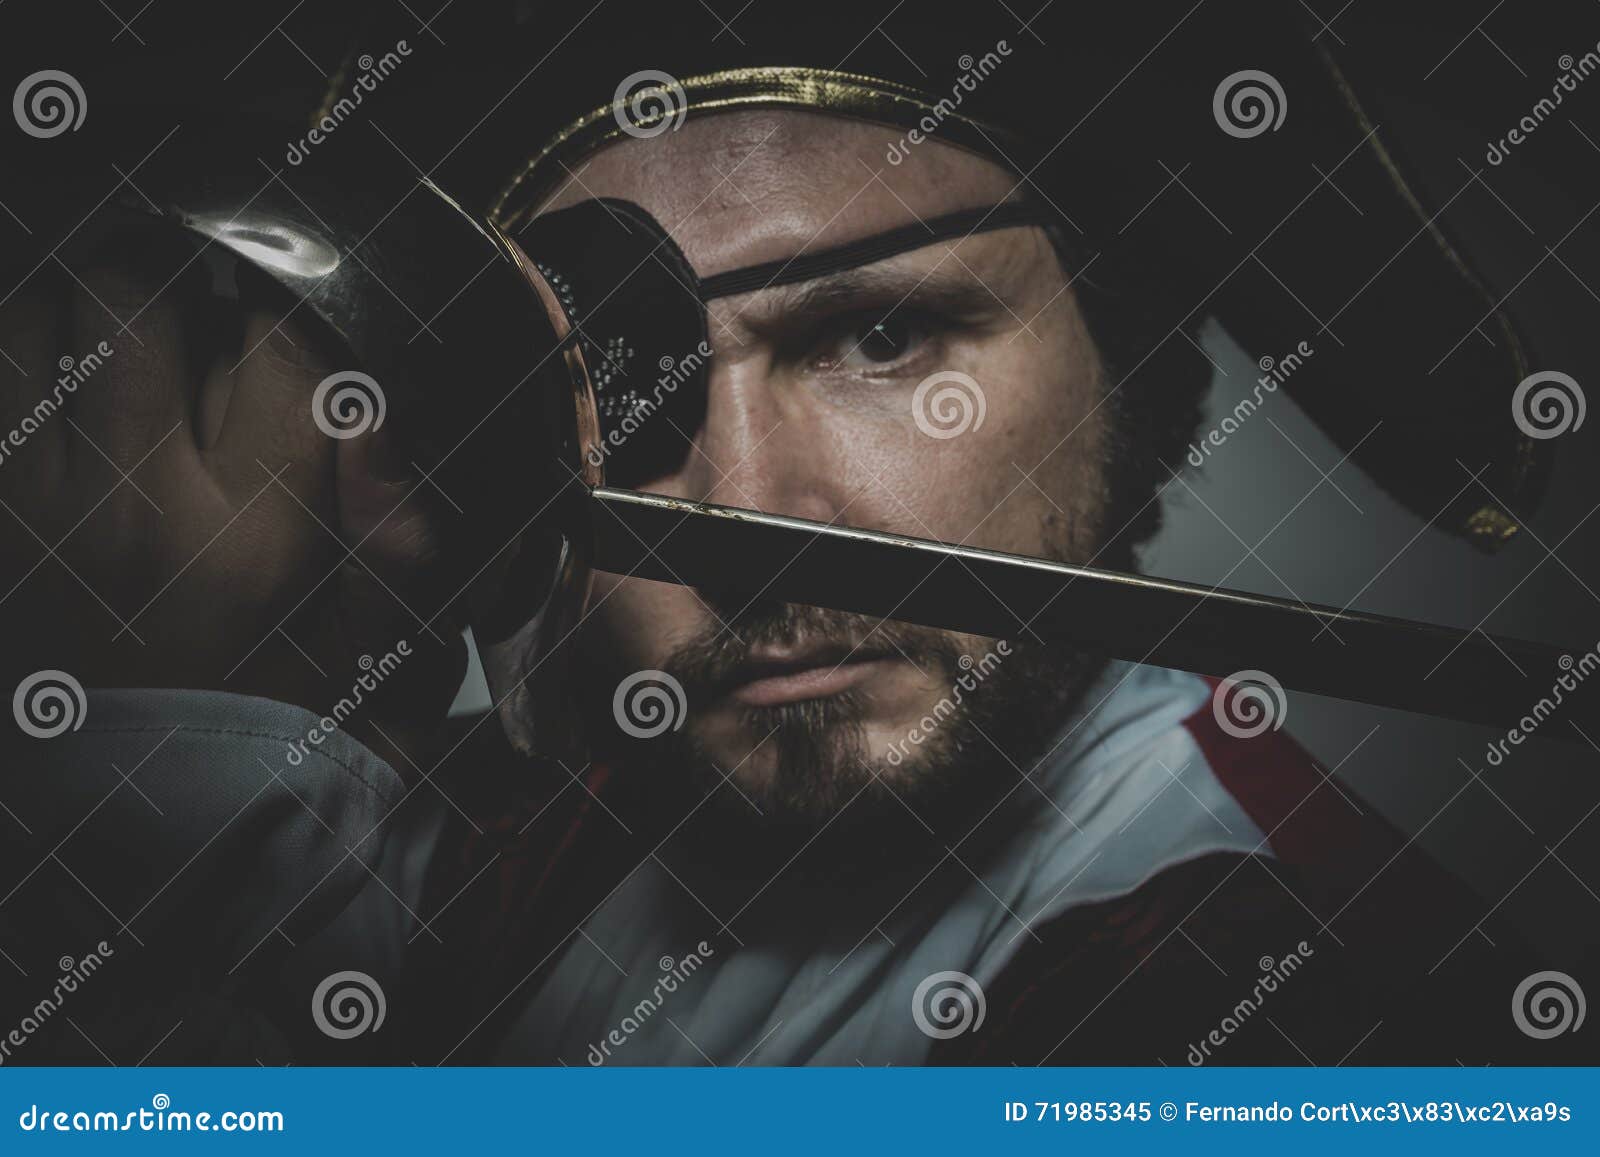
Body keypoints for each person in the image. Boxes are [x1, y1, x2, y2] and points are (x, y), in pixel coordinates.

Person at [0, 2, 1587, 1065]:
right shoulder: (603, 800)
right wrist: (163, 707)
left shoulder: (1276, 991)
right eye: (615, 384)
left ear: (1133, 377)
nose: (745, 512)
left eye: (883, 340)